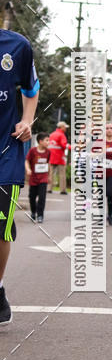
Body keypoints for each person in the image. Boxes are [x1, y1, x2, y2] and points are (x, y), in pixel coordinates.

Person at [0, 29, 39, 326]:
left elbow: (31, 88)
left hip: (6, 153)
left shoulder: (17, 46)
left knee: (0, 228)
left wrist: (27, 120)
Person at [25, 132, 50, 223]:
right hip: (33, 178)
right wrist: (28, 169)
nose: (48, 142)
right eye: (47, 140)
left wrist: (49, 176)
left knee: (42, 197)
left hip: (43, 178)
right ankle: (33, 212)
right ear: (40, 141)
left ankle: (40, 215)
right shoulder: (32, 151)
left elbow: (48, 164)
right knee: (32, 197)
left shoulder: (48, 152)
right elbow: (27, 161)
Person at [48, 120, 69, 194]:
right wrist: (71, 147)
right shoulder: (62, 135)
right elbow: (64, 145)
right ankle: (62, 190)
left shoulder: (52, 134)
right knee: (62, 174)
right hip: (59, 157)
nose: (66, 129)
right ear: (62, 127)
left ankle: (49, 188)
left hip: (51, 156)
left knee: (51, 173)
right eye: (65, 127)